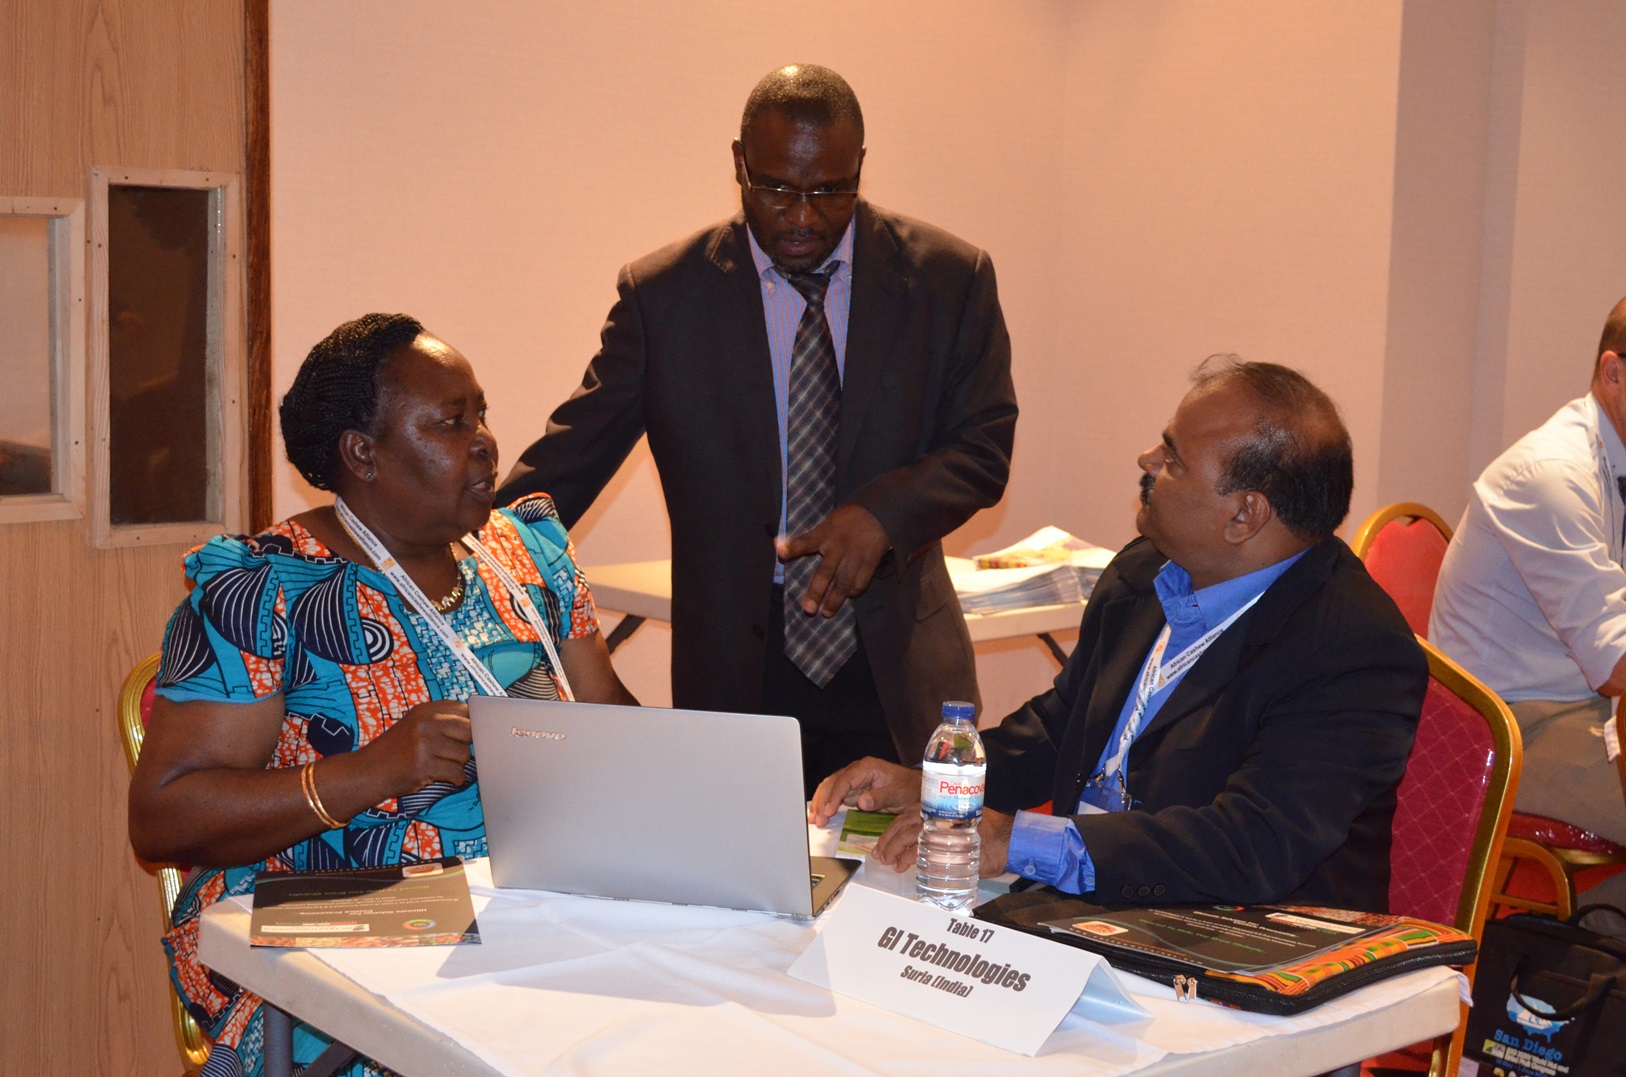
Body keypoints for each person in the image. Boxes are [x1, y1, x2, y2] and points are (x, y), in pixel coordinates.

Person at [128, 313, 635, 1077]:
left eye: (482, 414)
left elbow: (612, 720)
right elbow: (164, 818)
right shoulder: (265, 592)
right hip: (341, 934)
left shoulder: (525, 554)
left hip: (540, 907)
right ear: (362, 453)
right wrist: (376, 768)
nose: (485, 441)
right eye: (451, 422)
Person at [497, 64, 1017, 794]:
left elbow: (983, 445)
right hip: (740, 663)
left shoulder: (947, 279)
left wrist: (882, 514)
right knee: (743, 861)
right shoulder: (665, 296)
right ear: (739, 163)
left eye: (829, 191)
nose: (803, 216)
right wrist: (445, 550)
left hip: (896, 657)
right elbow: (567, 464)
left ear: (860, 167)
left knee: (898, 861)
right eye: (776, 188)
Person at [812, 359, 1427, 911]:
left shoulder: (1352, 648)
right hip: (1097, 911)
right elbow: (1058, 730)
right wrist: (938, 785)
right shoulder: (1143, 572)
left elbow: (1252, 844)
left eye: (1173, 460)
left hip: (1242, 941)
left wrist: (1013, 840)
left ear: (1245, 514)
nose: (1146, 462)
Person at [1431, 296, 1626, 909]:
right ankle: (1587, 941)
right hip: (1506, 731)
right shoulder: (1551, 476)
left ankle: (1593, 934)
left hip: (1580, 708)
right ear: (1614, 372)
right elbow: (1617, 663)